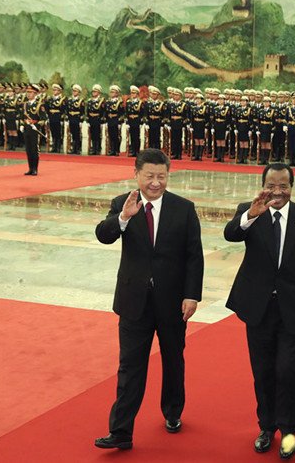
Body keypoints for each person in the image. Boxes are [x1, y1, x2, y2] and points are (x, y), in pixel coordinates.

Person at [94, 149, 204, 450]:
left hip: (172, 302)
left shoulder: (184, 208)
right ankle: (121, 431)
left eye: (161, 176)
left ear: (168, 175)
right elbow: (103, 235)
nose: (155, 182)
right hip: (134, 301)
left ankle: (173, 412)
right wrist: (123, 218)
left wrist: (192, 295)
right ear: (136, 175)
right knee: (130, 365)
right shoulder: (123, 203)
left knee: (173, 360)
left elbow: (194, 256)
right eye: (149, 176)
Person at [224, 163, 295, 459]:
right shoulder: (250, 210)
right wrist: (250, 215)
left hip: (293, 308)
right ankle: (266, 427)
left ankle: (289, 431)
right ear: (263, 186)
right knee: (263, 371)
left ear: (291, 187)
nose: (277, 192)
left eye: (283, 186)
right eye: (271, 186)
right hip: (258, 307)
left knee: (289, 371)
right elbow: (230, 234)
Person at [21, 84, 46, 176]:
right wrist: (22, 125)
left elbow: (44, 119)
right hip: (27, 128)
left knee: (34, 149)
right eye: (27, 92)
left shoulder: (39, 105)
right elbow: (22, 117)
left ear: (35, 93)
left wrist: (36, 125)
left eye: (30, 92)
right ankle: (30, 168)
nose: (28, 94)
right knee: (28, 149)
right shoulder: (25, 104)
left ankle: (35, 169)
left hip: (35, 130)